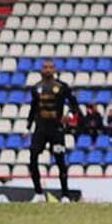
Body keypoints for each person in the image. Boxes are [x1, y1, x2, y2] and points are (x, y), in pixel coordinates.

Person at [27, 59, 81, 202]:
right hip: (40, 129)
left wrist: (68, 115)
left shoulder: (62, 87)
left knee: (60, 161)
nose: (48, 70)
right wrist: (28, 125)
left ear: (54, 70)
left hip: (56, 129)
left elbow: (75, 105)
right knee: (32, 158)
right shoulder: (36, 88)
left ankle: (64, 195)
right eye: (45, 67)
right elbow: (33, 108)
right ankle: (38, 193)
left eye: (50, 67)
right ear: (41, 69)